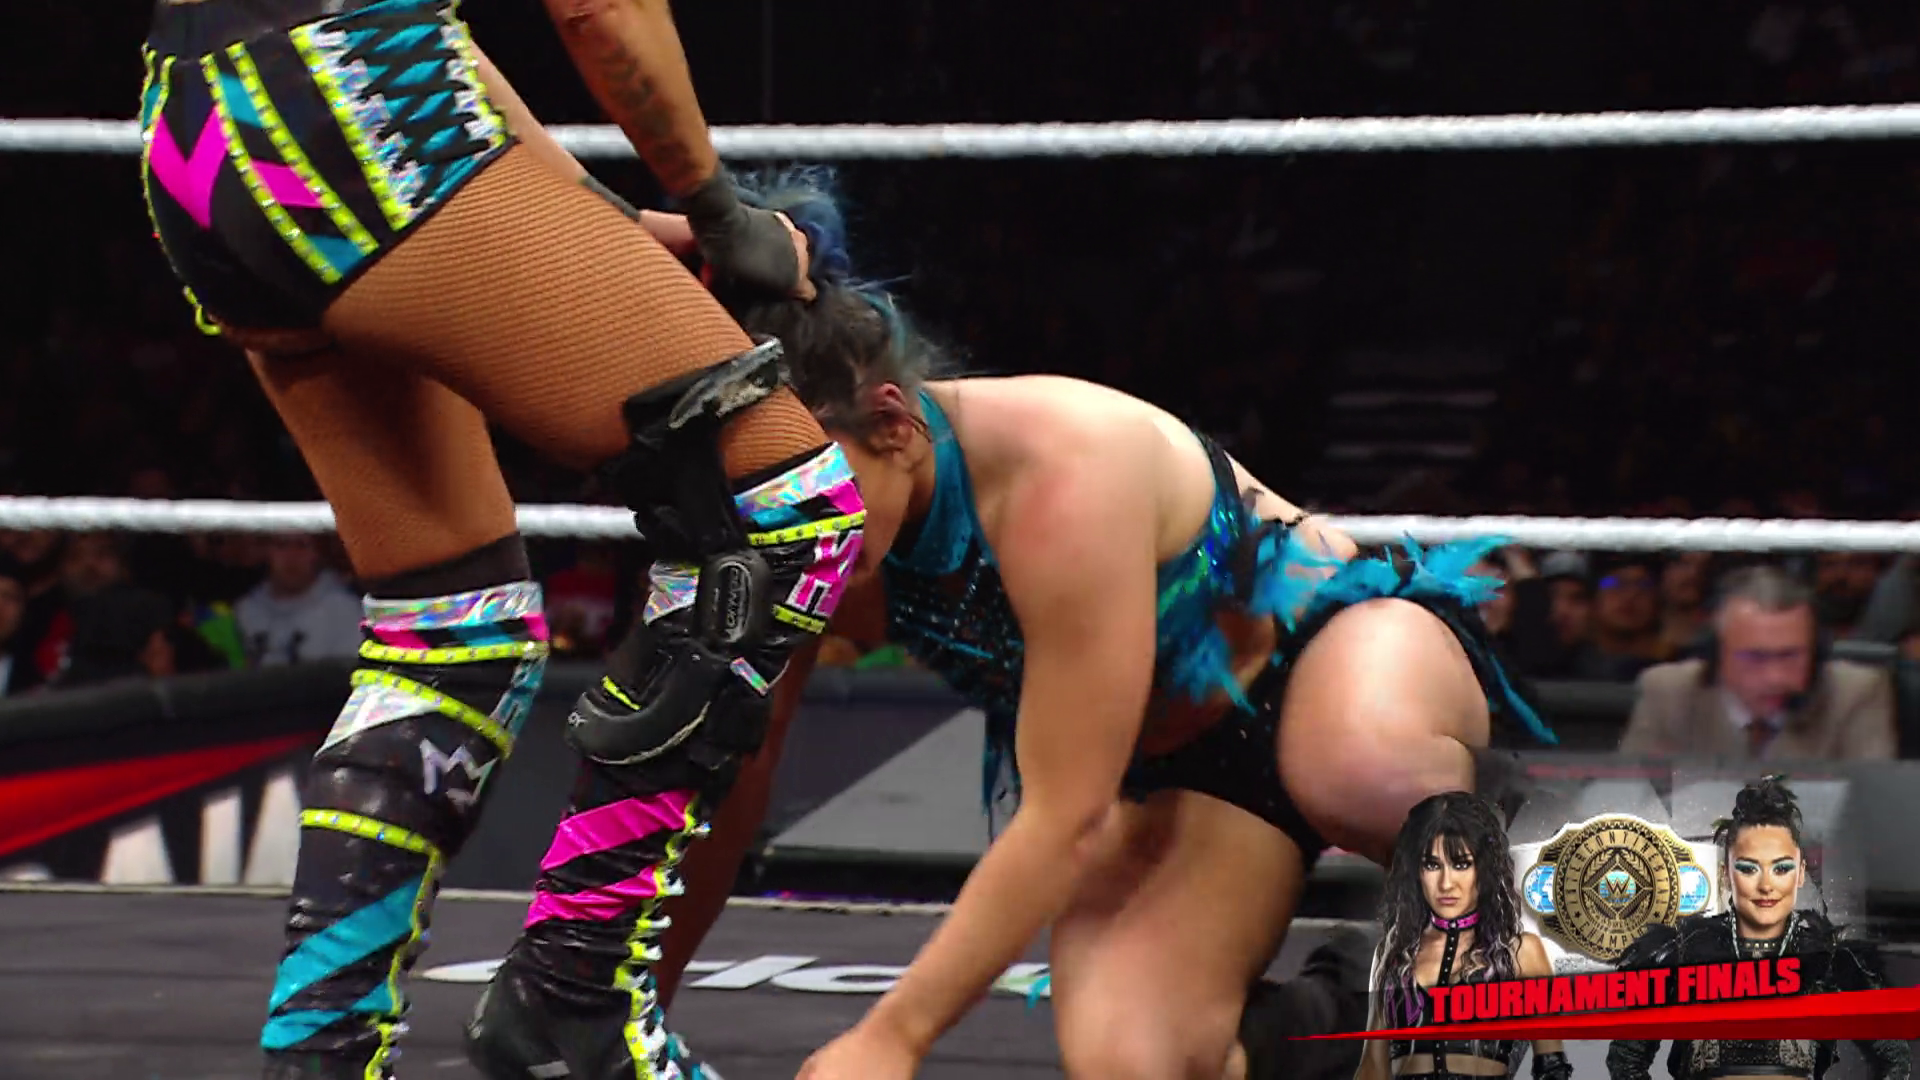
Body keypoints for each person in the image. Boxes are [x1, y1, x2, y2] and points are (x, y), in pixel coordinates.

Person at [471, 168, 1561, 1080]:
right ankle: (1358, 1000)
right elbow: (736, 779)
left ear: (893, 424)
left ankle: (1521, 890)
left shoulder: (1059, 473)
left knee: (1358, 769)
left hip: (1332, 652)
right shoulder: (803, 536)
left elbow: (1066, 816)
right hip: (1186, 772)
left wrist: (892, 1038)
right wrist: (630, 1018)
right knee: (1132, 1060)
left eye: (812, 479)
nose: (796, 513)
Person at [136, 2, 869, 1077]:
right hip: (354, 101)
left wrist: (603, 216)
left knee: (450, 627)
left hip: (201, 139)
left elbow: (434, 36)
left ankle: (320, 1053)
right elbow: (596, 9)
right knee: (786, 515)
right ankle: (575, 997)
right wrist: (714, 203)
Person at [1605, 777, 1910, 1080]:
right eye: (1749, 868)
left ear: (1800, 873)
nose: (1766, 885)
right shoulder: (1683, 953)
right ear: (1726, 874)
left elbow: (1894, 1060)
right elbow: (1626, 1062)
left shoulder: (1830, 962)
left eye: (1781, 868)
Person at [1355, 792, 1571, 1080]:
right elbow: (1372, 1068)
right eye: (1432, 865)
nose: (1446, 883)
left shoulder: (1522, 952)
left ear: (1484, 869)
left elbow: (1552, 1068)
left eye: (1461, 864)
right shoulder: (1395, 954)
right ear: (1415, 872)